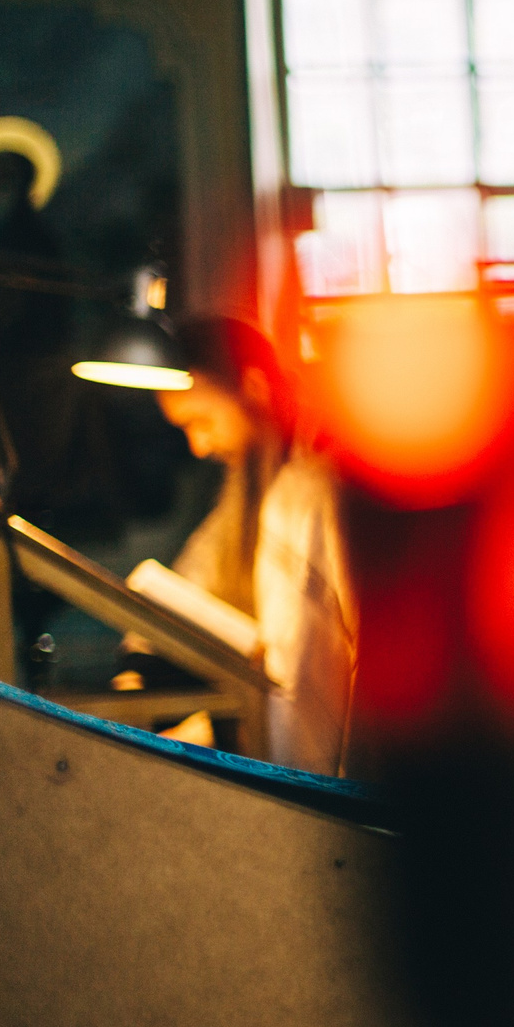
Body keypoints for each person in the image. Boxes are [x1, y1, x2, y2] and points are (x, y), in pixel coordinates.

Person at [132, 316, 355, 774]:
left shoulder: (312, 489)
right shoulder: (253, 485)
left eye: (201, 421)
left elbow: (305, 684)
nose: (197, 446)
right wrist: (138, 656)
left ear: (252, 388)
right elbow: (198, 570)